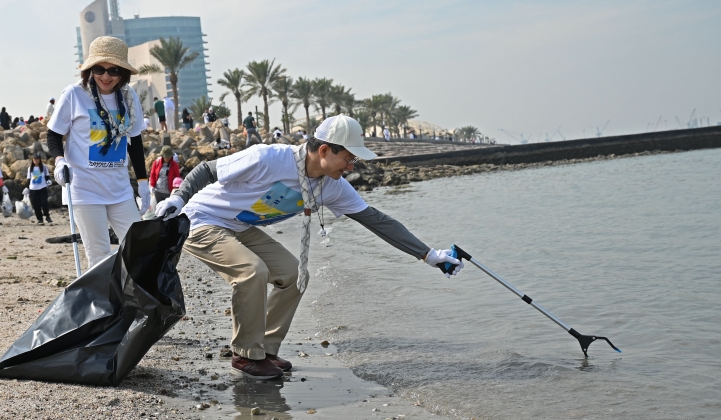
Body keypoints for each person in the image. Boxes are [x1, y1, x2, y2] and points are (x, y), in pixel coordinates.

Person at [154, 115, 463, 379]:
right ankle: (246, 356)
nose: (352, 166)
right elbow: (208, 169)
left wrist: (429, 255)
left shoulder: (332, 185)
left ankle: (263, 349)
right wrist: (178, 199)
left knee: (294, 275)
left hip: (239, 226)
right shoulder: (269, 158)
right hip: (201, 221)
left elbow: (376, 220)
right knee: (252, 272)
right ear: (325, 150)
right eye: (349, 158)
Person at [46, 36, 149, 268]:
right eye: (99, 69)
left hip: (120, 189)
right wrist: (60, 161)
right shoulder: (74, 94)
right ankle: (104, 303)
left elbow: (135, 141)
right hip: (85, 190)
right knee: (99, 257)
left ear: (123, 72)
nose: (106, 76)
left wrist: (143, 182)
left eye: (113, 70)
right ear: (90, 69)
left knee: (138, 250)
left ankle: (130, 301)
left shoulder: (129, 97)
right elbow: (53, 134)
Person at [27, 152, 53, 225]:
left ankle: (47, 216)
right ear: (32, 159)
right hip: (33, 189)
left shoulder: (44, 168)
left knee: (44, 203)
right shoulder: (30, 169)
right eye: (35, 159)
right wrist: (26, 188)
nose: (36, 160)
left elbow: (47, 177)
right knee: (36, 205)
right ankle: (40, 219)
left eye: (37, 159)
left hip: (42, 188)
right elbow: (29, 179)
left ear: (40, 160)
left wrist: (49, 181)